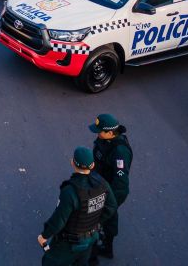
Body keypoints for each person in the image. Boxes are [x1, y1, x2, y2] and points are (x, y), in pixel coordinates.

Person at [38, 147, 117, 266]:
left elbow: (59, 220)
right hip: (90, 238)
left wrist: (44, 236)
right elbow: (111, 206)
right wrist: (94, 221)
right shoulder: (102, 183)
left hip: (68, 244)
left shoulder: (70, 191)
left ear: (72, 163)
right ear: (92, 165)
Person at [89, 114, 132, 261]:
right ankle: (106, 247)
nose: (97, 134)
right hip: (100, 186)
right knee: (106, 218)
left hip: (111, 192)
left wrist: (109, 201)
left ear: (110, 132)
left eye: (99, 131)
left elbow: (121, 183)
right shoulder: (105, 140)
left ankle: (99, 251)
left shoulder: (120, 152)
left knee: (99, 218)